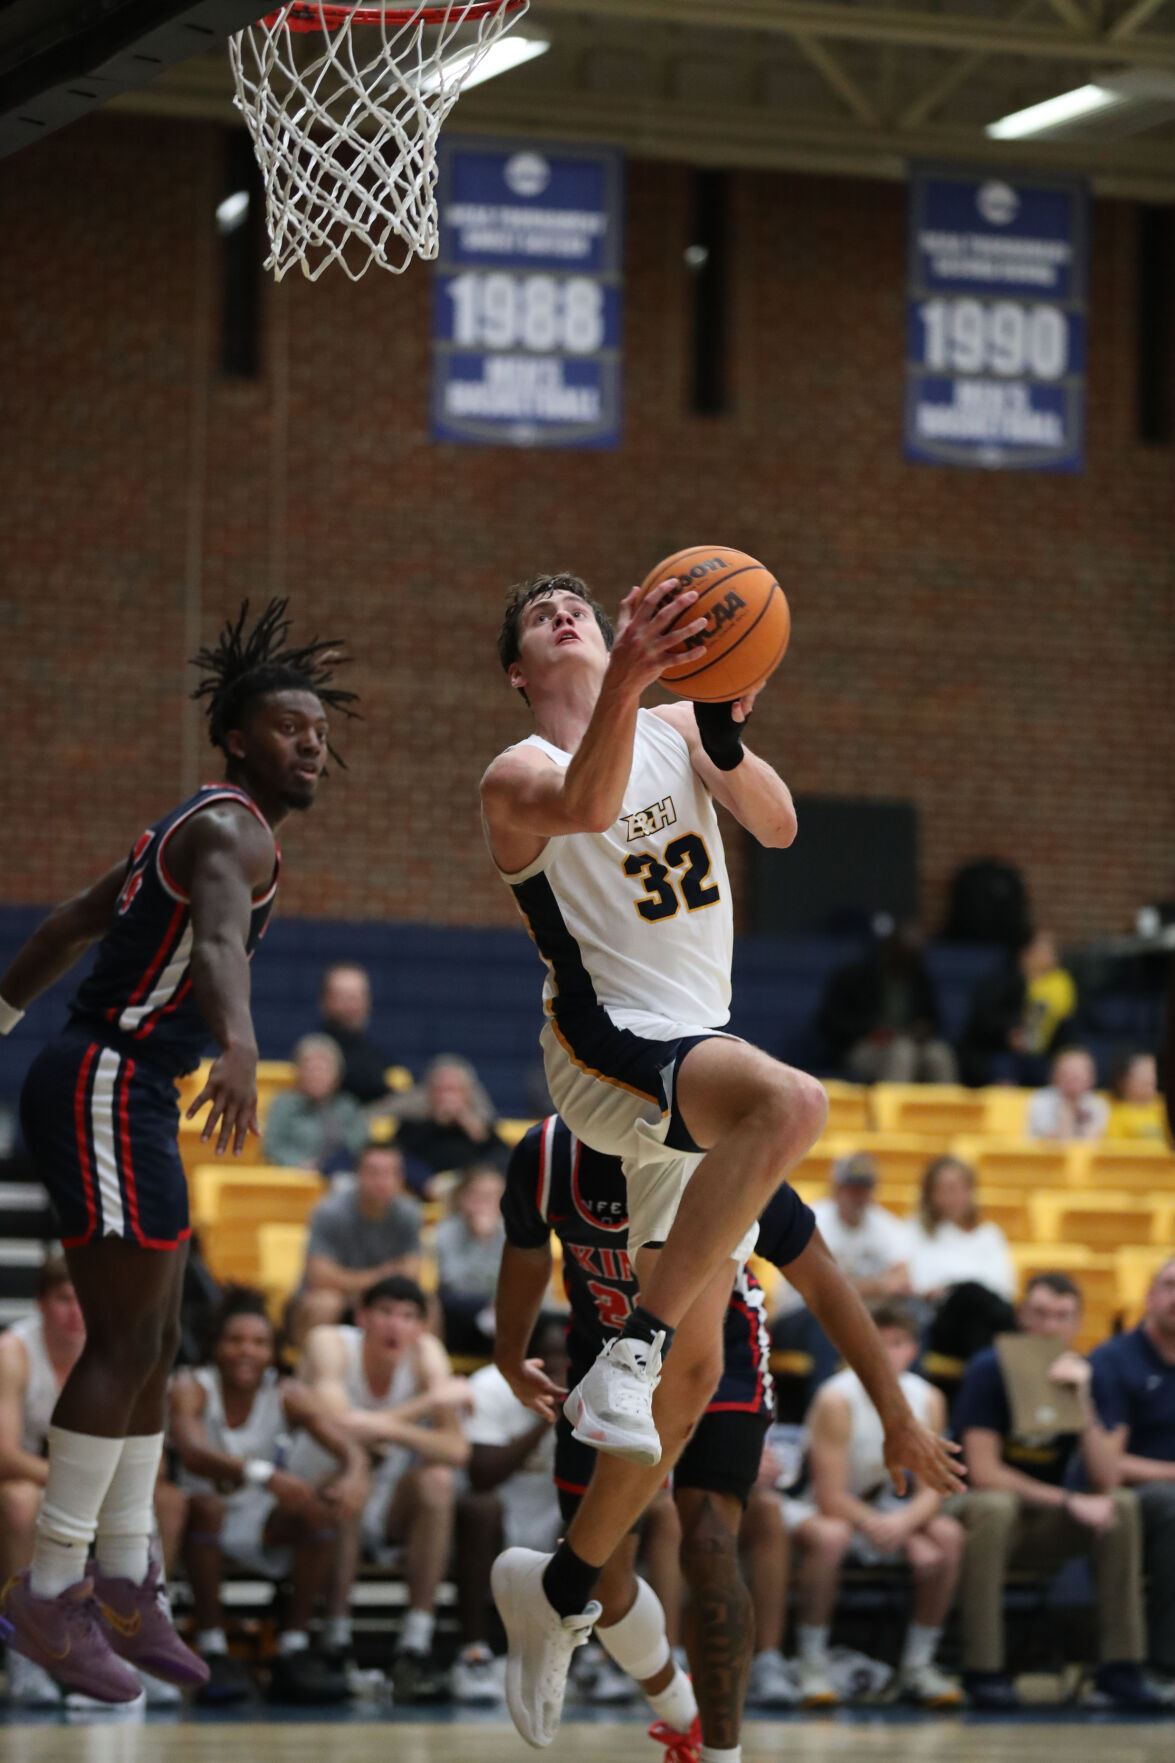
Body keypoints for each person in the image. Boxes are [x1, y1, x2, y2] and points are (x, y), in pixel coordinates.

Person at [480, 573, 960, 1752]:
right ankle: (622, 1351)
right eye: (540, 614)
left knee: (685, 1396)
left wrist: (727, 729)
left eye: (578, 604)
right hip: (610, 1054)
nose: (564, 613)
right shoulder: (512, 773)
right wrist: (642, 679)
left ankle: (551, 1595)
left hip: (688, 1064)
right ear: (516, 667)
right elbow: (586, 808)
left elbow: (781, 825)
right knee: (792, 1100)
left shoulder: (679, 724)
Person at [0, 597, 357, 1703]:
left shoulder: (190, 825)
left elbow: (66, 922)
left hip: (125, 1085)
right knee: (122, 1339)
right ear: (237, 738)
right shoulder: (227, 831)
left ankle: (121, 1579)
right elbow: (211, 938)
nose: (312, 742)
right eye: (290, 726)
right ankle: (51, 1591)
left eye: (319, 729)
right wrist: (244, 1043)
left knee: (158, 1339)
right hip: (110, 1075)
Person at [494, 1114, 961, 1760]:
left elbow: (823, 1280)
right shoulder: (545, 1154)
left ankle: (722, 1753)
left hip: (722, 1355)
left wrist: (896, 1414)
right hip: (604, 1360)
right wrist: (507, 1350)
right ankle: (676, 1708)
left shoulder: (720, 1154)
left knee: (711, 1541)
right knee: (599, 1576)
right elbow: (523, 1246)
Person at [951, 1271, 1159, 1710]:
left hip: (1040, 1520)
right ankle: (982, 1668)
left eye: (1062, 1317)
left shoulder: (1088, 1372)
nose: (1050, 1327)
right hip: (974, 1515)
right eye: (1040, 1314)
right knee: (996, 1506)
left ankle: (1120, 1667)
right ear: (1023, 1317)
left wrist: (1082, 1402)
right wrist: (1068, 1500)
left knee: (1119, 1505)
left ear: (1078, 1324)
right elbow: (984, 1471)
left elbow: (1106, 1478)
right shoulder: (991, 1367)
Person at [0, 1258, 186, 1708]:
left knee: (166, 1502)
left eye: (84, 1300)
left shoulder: (119, 1351)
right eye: (64, 1299)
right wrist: (86, 1485)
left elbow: (151, 1458)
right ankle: (28, 1654)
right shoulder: (13, 1353)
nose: (76, 1312)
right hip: (28, 1482)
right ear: (42, 1304)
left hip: (88, 1487)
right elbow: (4, 1456)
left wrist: (100, 1487)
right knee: (19, 1502)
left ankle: (138, 1640)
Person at [169, 1286, 368, 1703]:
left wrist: (354, 1475)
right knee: (207, 1507)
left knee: (317, 1510)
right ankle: (212, 1646)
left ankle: (292, 1647)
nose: (247, 1351)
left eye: (259, 1343)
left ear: (273, 1351)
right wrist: (262, 1474)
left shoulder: (286, 1392)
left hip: (258, 1518)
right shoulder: (192, 1386)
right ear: (215, 1346)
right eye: (235, 1340)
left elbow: (347, 1446)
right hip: (195, 1517)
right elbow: (192, 1453)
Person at [298, 1275, 470, 1702]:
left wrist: (374, 1425)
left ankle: (416, 1643)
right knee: (351, 1480)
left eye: (409, 1316)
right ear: (362, 1318)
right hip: (317, 1489)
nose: (397, 1325)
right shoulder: (329, 1343)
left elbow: (455, 1449)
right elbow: (339, 1425)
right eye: (386, 1313)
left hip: (391, 1498)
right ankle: (335, 1640)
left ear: (420, 1328)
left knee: (438, 1481)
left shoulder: (426, 1353)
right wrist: (424, 1406)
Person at [784, 1299, 963, 1707]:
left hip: (888, 1511)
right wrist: (899, 1532)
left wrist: (905, 1526)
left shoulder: (929, 1398)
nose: (887, 1353)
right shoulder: (836, 1399)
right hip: (822, 1508)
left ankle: (919, 1664)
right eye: (875, 1343)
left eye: (897, 1343)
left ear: (914, 1350)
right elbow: (830, 1497)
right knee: (831, 1538)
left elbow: (933, 1486)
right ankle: (812, 1661)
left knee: (948, 1535)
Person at [451, 1313, 567, 1705]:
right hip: (498, 1517)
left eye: (568, 1356)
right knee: (478, 1509)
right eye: (550, 1356)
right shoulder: (490, 1386)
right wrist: (547, 1418)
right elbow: (482, 1474)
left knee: (597, 1510)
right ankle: (475, 1653)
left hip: (556, 1515)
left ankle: (590, 1659)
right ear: (529, 1360)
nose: (560, 1367)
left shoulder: (598, 1391)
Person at [1088, 1256, 1175, 1683]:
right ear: (1149, 1295)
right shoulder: (1114, 1360)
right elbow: (1108, 1465)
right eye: (1170, 1285)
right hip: (1130, 1497)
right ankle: (1165, 1666)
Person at [290, 1142, 422, 1343]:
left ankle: (417, 1372)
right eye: (375, 1173)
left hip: (380, 1301)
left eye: (391, 1173)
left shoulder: (409, 1213)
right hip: (339, 1299)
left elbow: (412, 1272)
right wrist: (383, 1276)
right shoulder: (329, 1211)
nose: (383, 1181)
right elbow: (319, 1277)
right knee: (326, 1303)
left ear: (401, 1178)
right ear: (358, 1175)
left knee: (425, 1304)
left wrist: (351, 1280)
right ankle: (309, 1369)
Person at [816, 922, 957, 1083]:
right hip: (865, 1046)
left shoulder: (921, 980)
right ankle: (892, 1106)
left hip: (913, 1043)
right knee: (902, 1052)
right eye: (905, 950)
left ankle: (945, 1107)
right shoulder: (856, 977)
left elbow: (935, 1021)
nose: (909, 956)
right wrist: (870, 1029)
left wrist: (924, 1029)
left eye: (915, 953)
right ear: (892, 947)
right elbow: (829, 1022)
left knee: (940, 1054)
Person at [958, 929, 1076, 1088]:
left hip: (1039, 1054)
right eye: (1046, 949)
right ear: (1025, 953)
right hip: (995, 1050)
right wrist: (1009, 1033)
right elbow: (982, 1020)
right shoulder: (1000, 981)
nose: (1053, 954)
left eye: (1053, 950)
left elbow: (1065, 1026)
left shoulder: (1060, 984)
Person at [386, 1055, 510, 1196]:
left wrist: (464, 1179)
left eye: (452, 1090)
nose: (446, 1098)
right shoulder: (411, 1124)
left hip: (471, 1198)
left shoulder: (482, 1130)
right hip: (423, 1199)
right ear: (429, 1094)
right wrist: (426, 1181)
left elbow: (505, 1159)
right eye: (440, 1090)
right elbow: (398, 1159)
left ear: (467, 1094)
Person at [906, 1156, 1015, 1304]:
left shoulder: (989, 1234)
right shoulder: (912, 1230)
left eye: (962, 1188)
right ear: (929, 1193)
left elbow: (1004, 1288)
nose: (955, 1196)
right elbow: (915, 1284)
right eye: (946, 1189)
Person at [261, 1034, 369, 1174]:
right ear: (298, 1072)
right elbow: (272, 1147)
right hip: (294, 1177)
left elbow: (360, 1146)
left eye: (322, 1069)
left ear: (337, 1074)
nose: (316, 1075)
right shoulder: (283, 1104)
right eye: (310, 1069)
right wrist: (300, 1164)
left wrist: (336, 1165)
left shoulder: (348, 1106)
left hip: (341, 1176)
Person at [435, 1163, 506, 1359]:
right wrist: (481, 1241)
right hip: (461, 1313)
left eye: (493, 1196)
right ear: (463, 1198)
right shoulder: (446, 1231)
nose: (486, 1204)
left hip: (503, 1308)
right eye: (480, 1196)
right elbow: (455, 1282)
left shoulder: (512, 1232)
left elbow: (517, 1281)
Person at [318, 963, 393, 1105]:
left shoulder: (373, 1051)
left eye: (358, 997)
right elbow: (366, 1084)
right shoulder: (317, 1050)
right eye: (344, 998)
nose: (353, 1007)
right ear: (324, 1002)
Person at [1026, 1047, 1109, 1142]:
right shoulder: (1041, 1100)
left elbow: (1091, 1145)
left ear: (1091, 1078)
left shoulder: (1097, 1105)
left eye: (1078, 1075)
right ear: (1055, 1076)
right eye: (1068, 1073)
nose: (1073, 1079)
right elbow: (1056, 1144)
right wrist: (1066, 1115)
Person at [1105, 1051, 1167, 1142]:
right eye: (1142, 1073)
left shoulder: (1165, 1105)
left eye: (1153, 1071)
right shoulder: (1109, 1108)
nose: (1150, 1078)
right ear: (1123, 1079)